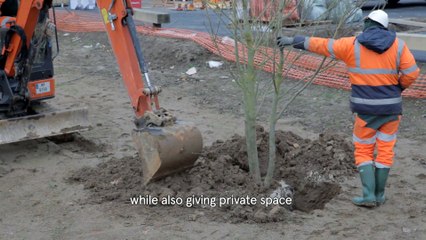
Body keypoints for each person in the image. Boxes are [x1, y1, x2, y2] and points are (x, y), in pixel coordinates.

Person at [277, 10, 419, 207]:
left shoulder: (352, 44)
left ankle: (368, 195)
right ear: (385, 27)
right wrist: (398, 88)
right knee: (385, 150)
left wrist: (294, 40)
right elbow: (412, 73)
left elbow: (322, 45)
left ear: (368, 23)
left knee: (363, 149)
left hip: (366, 110)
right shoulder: (399, 45)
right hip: (392, 110)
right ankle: (379, 195)